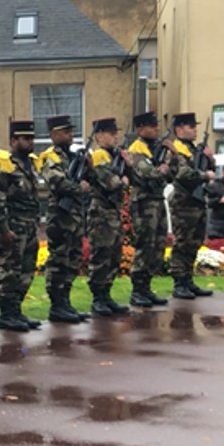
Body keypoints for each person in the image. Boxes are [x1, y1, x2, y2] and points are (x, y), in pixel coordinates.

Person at [0, 120, 45, 332]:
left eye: (32, 138)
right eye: (25, 138)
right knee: (11, 269)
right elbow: (0, 199)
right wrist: (4, 229)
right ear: (13, 141)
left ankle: (16, 309)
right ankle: (6, 313)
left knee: (26, 269)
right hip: (14, 225)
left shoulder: (30, 164)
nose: (30, 142)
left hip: (30, 225)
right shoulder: (6, 165)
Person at [38, 115, 89, 324]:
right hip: (60, 216)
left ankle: (65, 301)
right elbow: (57, 182)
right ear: (54, 134)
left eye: (71, 131)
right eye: (66, 131)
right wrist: (79, 188)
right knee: (59, 260)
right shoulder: (50, 157)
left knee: (72, 259)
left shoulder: (72, 157)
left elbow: (88, 178)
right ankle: (56, 304)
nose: (70, 135)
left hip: (75, 217)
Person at [165, 112, 216, 300]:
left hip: (196, 201)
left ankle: (188, 279)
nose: (195, 130)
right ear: (179, 130)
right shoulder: (177, 149)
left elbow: (203, 169)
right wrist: (205, 176)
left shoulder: (192, 149)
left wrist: (210, 159)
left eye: (195, 126)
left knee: (194, 242)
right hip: (183, 201)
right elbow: (183, 174)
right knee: (182, 242)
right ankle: (179, 282)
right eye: (190, 127)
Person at [86, 117, 132, 315]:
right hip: (101, 213)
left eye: (116, 133)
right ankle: (98, 297)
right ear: (99, 136)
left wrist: (127, 165)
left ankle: (106, 294)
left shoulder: (115, 156)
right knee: (102, 255)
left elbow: (132, 179)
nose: (115, 137)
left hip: (113, 211)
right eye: (111, 134)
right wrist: (122, 179)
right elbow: (110, 182)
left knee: (114, 256)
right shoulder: (99, 156)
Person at [126, 112, 172, 307]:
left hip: (157, 200)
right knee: (145, 245)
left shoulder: (156, 148)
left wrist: (173, 156)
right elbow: (147, 172)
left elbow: (170, 175)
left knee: (158, 245)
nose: (156, 129)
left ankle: (146, 287)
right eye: (152, 126)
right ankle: (137, 290)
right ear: (141, 129)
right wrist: (160, 170)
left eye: (156, 126)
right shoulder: (137, 149)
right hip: (144, 203)